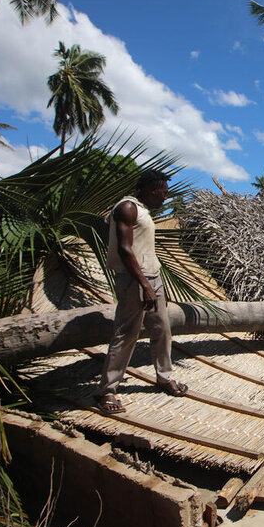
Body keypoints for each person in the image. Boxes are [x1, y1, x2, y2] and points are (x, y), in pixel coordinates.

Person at [96, 169, 188, 414]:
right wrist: (144, 285)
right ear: (151, 189)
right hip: (134, 280)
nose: (166, 197)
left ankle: (164, 377)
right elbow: (125, 250)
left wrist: (156, 284)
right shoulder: (127, 208)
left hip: (152, 277)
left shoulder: (143, 211)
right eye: (163, 192)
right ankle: (107, 390)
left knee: (162, 328)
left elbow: (144, 249)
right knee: (126, 333)